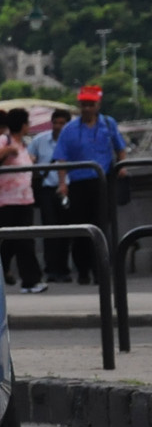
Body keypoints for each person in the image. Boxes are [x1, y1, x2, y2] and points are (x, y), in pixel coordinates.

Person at [53, 85, 128, 286]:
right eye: (83, 105)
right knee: (82, 231)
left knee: (103, 227)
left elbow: (121, 148)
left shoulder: (108, 124)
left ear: (98, 105)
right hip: (78, 184)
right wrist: (63, 183)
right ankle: (83, 270)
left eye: (90, 105)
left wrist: (122, 167)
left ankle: (100, 270)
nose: (86, 108)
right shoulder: (69, 129)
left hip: (103, 183)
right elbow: (61, 159)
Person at [0, 109, 45, 293]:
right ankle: (29, 281)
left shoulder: (23, 144)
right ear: (22, 124)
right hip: (6, 202)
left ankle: (29, 280)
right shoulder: (6, 141)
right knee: (11, 242)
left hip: (24, 200)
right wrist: (6, 150)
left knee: (20, 241)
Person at [29, 108, 74, 283]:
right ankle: (51, 269)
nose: (58, 126)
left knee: (67, 230)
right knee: (49, 229)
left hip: (69, 188)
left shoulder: (71, 141)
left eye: (62, 123)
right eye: (55, 122)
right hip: (47, 189)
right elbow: (30, 157)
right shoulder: (40, 140)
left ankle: (64, 268)